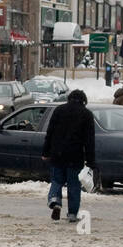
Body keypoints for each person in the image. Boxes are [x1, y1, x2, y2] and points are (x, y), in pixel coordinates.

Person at [40, 88, 95, 223]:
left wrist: (46, 152)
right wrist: (91, 161)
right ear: (84, 101)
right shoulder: (86, 114)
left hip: (57, 153)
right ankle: (72, 214)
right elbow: (89, 140)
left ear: (69, 98)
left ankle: (55, 200)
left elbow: (50, 133)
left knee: (57, 180)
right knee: (74, 185)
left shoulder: (58, 110)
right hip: (75, 156)